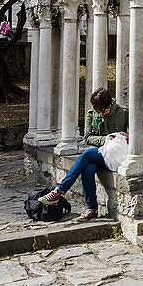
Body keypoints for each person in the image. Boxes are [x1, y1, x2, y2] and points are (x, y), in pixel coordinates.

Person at [38, 88, 128, 221]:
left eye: (105, 109)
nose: (102, 113)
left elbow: (136, 136)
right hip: (99, 155)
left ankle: (59, 191)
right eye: (99, 111)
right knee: (88, 168)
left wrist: (127, 136)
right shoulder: (92, 114)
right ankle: (92, 209)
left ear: (109, 104)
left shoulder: (123, 112)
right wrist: (106, 139)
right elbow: (87, 137)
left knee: (87, 153)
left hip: (116, 156)